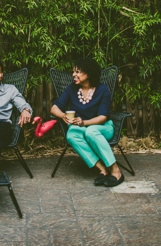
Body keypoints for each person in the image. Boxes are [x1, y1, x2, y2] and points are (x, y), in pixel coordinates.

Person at [50, 58, 124, 187]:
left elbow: (103, 117)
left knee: (91, 131)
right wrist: (63, 116)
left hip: (103, 127)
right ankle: (102, 170)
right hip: (81, 126)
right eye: (74, 71)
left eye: (77, 72)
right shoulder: (72, 88)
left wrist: (84, 122)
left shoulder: (102, 89)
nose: (74, 75)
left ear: (88, 73)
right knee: (71, 135)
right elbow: (54, 108)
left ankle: (116, 172)